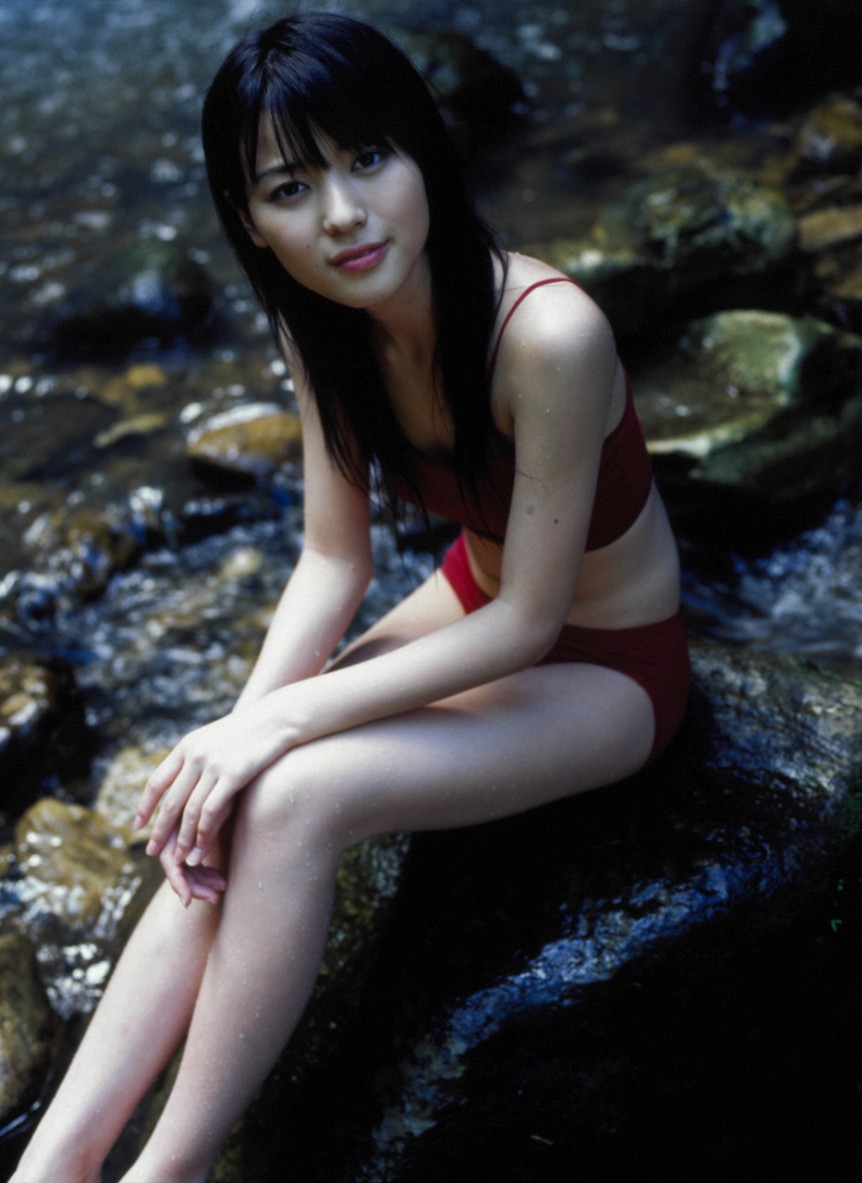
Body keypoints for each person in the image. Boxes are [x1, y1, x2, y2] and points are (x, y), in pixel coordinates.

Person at [12, 12, 688, 1183]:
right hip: (469, 596)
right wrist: (234, 734)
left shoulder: (547, 334)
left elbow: (528, 621)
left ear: (421, 150)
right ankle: (58, 1160)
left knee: (292, 797)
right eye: (291, 187)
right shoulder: (320, 324)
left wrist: (277, 726)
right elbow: (333, 561)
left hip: (607, 663)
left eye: (367, 158)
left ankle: (168, 1170)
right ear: (250, 222)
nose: (341, 214)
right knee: (226, 792)